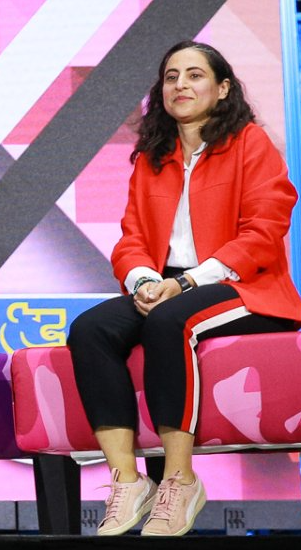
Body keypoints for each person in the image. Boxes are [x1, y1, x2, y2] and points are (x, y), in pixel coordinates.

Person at [66, 41, 301, 538]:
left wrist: (188, 282)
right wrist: (146, 280)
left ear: (222, 89)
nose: (181, 85)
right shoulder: (153, 157)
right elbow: (131, 237)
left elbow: (265, 228)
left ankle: (179, 479)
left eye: (195, 76)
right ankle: (128, 481)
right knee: (90, 329)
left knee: (174, 321)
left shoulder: (250, 142)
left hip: (245, 286)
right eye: (171, 77)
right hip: (167, 282)